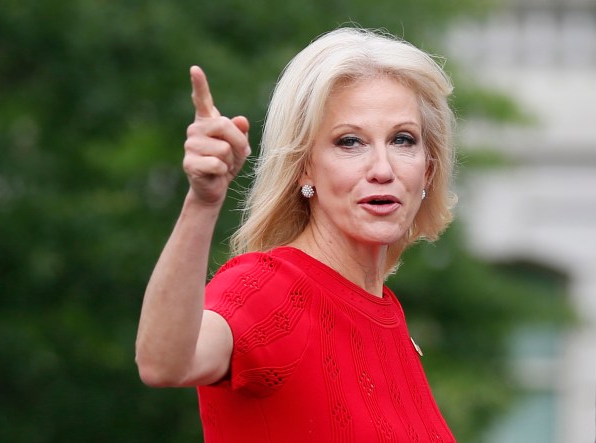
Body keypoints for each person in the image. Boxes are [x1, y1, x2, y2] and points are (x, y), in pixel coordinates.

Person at [135, 27, 457, 442]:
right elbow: (163, 363)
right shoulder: (268, 288)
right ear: (304, 166)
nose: (383, 169)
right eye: (350, 142)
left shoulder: (390, 318)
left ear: (428, 168)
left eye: (402, 139)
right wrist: (202, 202)